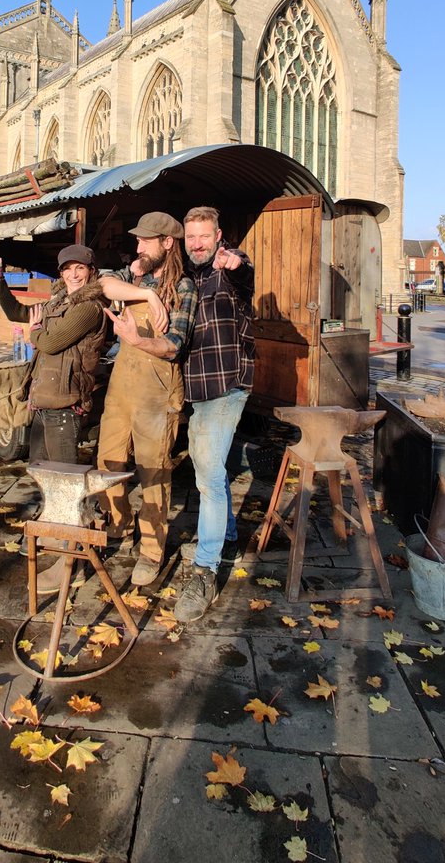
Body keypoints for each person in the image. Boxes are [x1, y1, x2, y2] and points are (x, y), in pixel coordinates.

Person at [96, 213, 197, 588]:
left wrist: (137, 340)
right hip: (121, 387)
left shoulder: (185, 288)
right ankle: (118, 524)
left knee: (153, 472)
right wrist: (147, 293)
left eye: (146, 240)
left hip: (158, 389)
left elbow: (174, 346)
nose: (138, 247)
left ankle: (152, 552)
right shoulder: (134, 277)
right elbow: (102, 286)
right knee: (108, 460)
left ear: (167, 243)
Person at [173, 206, 255, 623]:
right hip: (197, 390)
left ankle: (205, 569)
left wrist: (235, 263)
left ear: (218, 235)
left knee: (206, 478)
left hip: (227, 385)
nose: (198, 244)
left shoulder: (228, 268)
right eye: (191, 238)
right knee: (213, 469)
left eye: (204, 237)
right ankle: (225, 536)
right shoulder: (189, 278)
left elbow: (245, 273)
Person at [0, 245, 108, 468]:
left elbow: (49, 343)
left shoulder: (89, 308)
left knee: (65, 475)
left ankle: (78, 504)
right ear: (61, 273)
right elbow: (16, 312)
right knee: (40, 469)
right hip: (45, 399)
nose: (73, 275)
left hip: (65, 403)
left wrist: (35, 330)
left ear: (91, 271)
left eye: (79, 268)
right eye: (67, 269)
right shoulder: (58, 301)